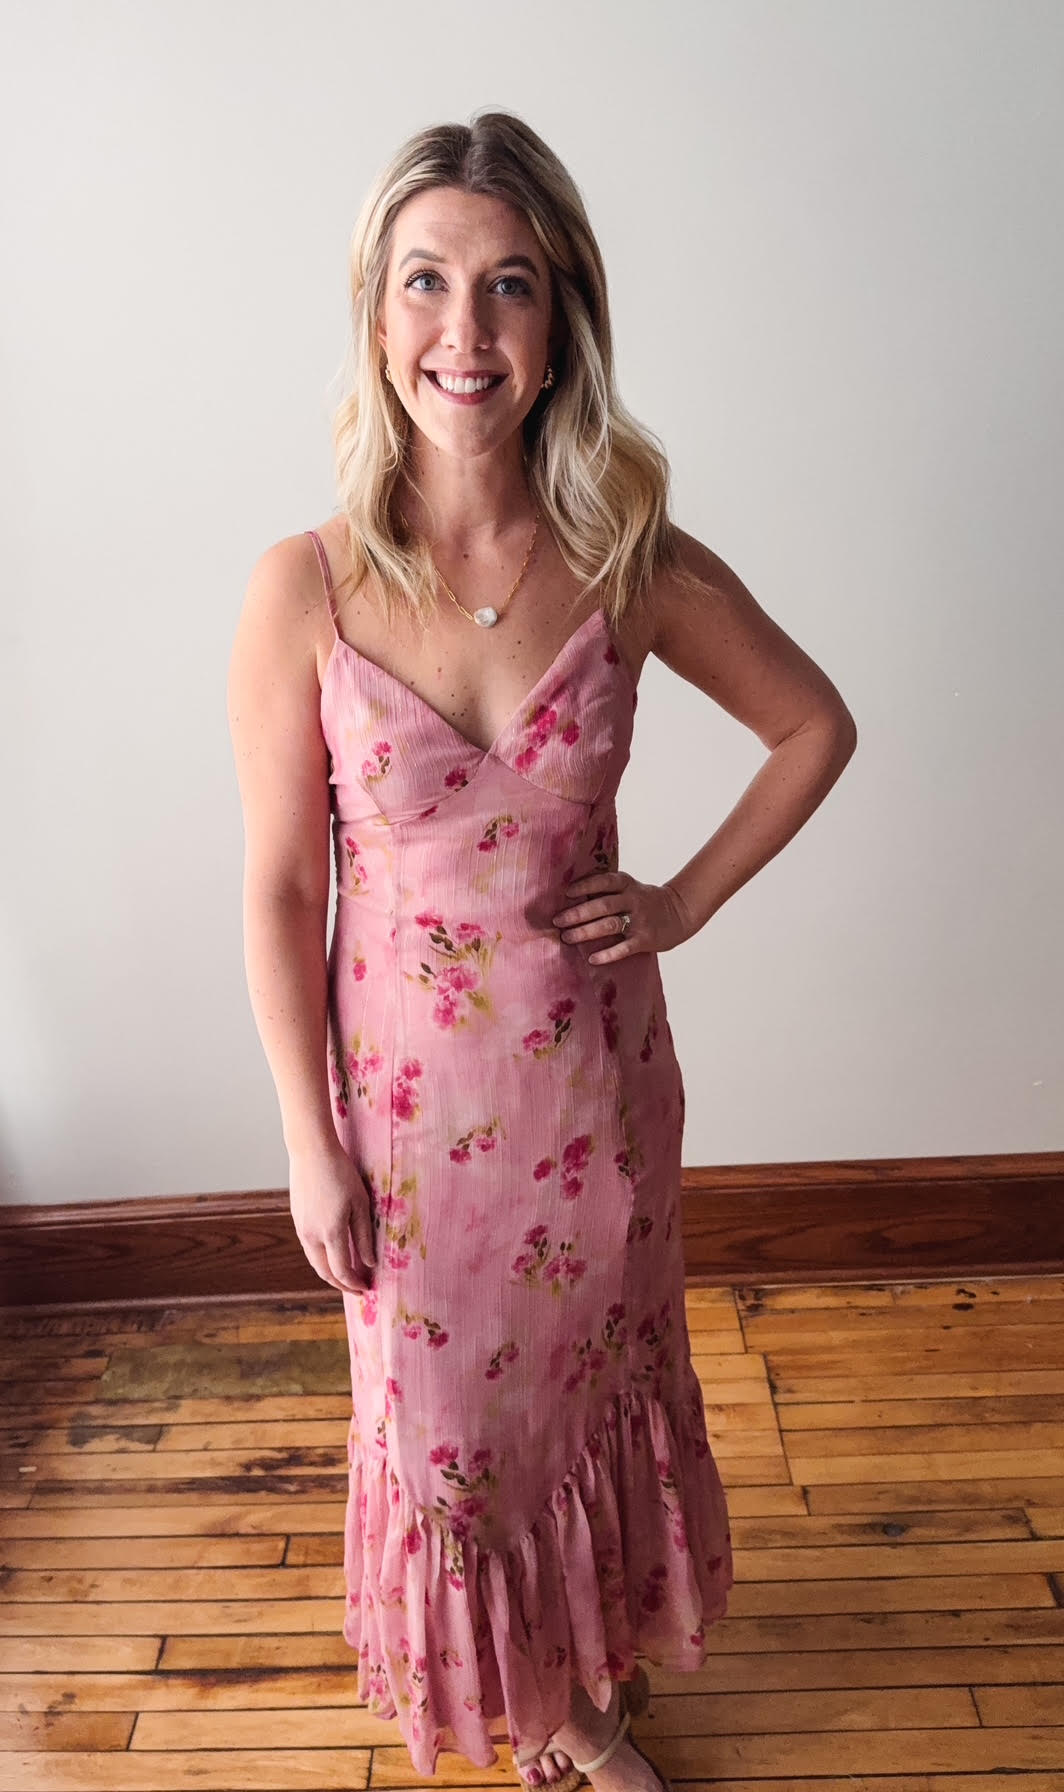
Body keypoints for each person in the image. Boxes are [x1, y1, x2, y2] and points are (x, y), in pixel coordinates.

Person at [227, 109, 857, 1791]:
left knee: (589, 1397)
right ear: (374, 312)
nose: (466, 331)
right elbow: (284, 891)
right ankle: (558, 1721)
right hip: (411, 1126)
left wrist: (681, 901)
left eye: (510, 286)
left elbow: (813, 725)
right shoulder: (305, 589)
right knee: (450, 1445)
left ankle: (583, 1667)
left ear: (563, 315)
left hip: (596, 1096)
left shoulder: (630, 561)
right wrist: (308, 1141)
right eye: (426, 282)